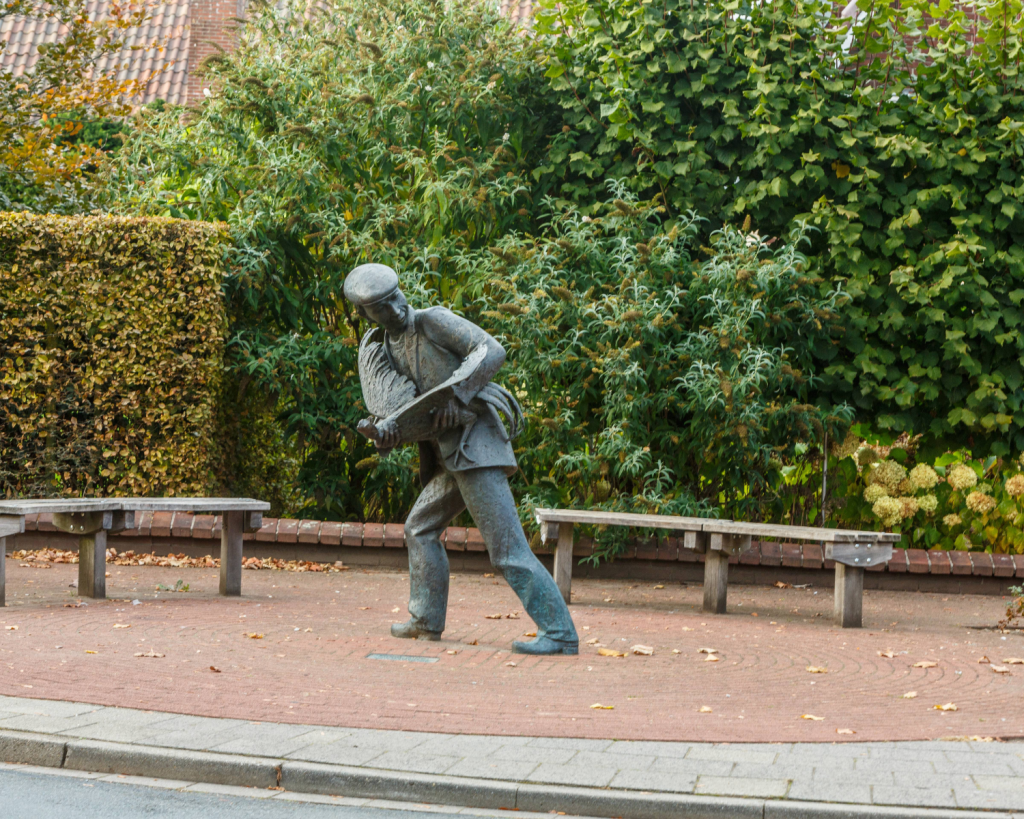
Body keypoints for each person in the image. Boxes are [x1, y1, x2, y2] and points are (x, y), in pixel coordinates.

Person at [344, 263, 578, 655]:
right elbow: (408, 417)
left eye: (396, 298)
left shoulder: (432, 321)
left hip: (475, 448)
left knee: (507, 550)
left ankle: (559, 632)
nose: (397, 310)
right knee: (419, 528)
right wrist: (385, 434)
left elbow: (491, 350)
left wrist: (460, 395)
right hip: (448, 458)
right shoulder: (383, 351)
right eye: (383, 308)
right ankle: (426, 620)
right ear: (366, 315)